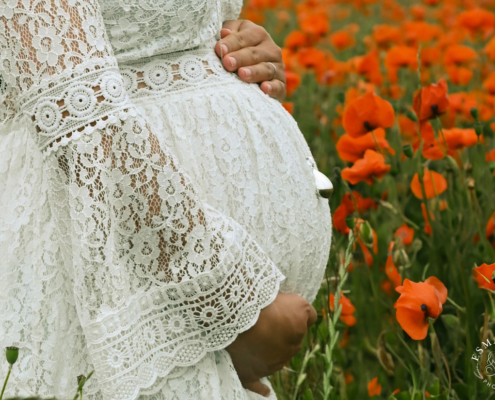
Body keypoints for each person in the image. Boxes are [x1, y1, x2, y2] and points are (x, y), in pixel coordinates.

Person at [0, 1, 332, 399]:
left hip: (175, 291)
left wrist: (227, 45)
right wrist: (233, 305)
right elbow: (79, 113)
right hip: (126, 280)